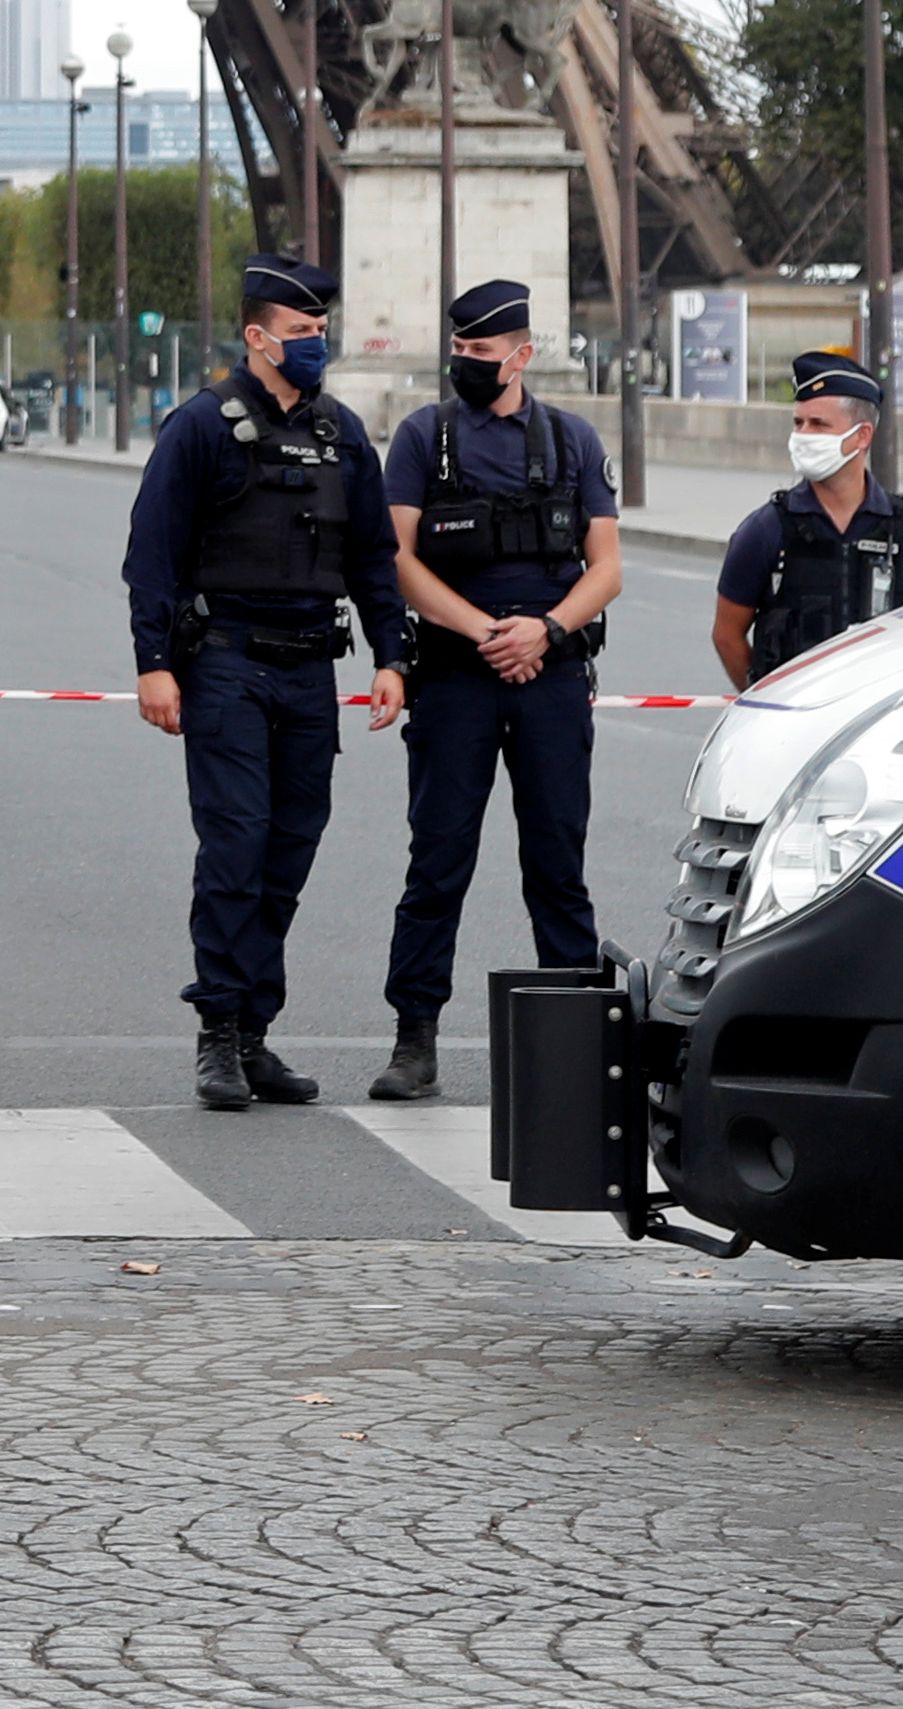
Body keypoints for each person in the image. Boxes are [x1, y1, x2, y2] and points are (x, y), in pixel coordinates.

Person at [122, 254, 412, 1111]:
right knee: (235, 849)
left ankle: (254, 1033)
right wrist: (152, 663)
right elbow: (152, 555)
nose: (313, 342)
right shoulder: (202, 426)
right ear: (256, 336)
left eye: (320, 330)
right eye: (298, 332)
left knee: (287, 853)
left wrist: (392, 656)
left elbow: (371, 556)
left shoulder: (340, 433)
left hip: (307, 669)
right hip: (226, 663)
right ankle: (217, 1031)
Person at [371, 278, 624, 1103]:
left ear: (521, 355)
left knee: (557, 864)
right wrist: (484, 630)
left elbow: (607, 566)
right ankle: (415, 1039)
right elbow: (397, 559)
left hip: (547, 675)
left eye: (482, 353)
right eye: (460, 352)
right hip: (454, 677)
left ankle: (575, 1040)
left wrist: (544, 631)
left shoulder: (571, 439)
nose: (467, 365)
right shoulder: (422, 437)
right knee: (436, 862)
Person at [716, 349, 903, 688]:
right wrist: (765, 704)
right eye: (799, 423)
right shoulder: (767, 530)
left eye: (819, 424)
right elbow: (727, 634)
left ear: (862, 436)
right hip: (795, 724)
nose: (803, 436)